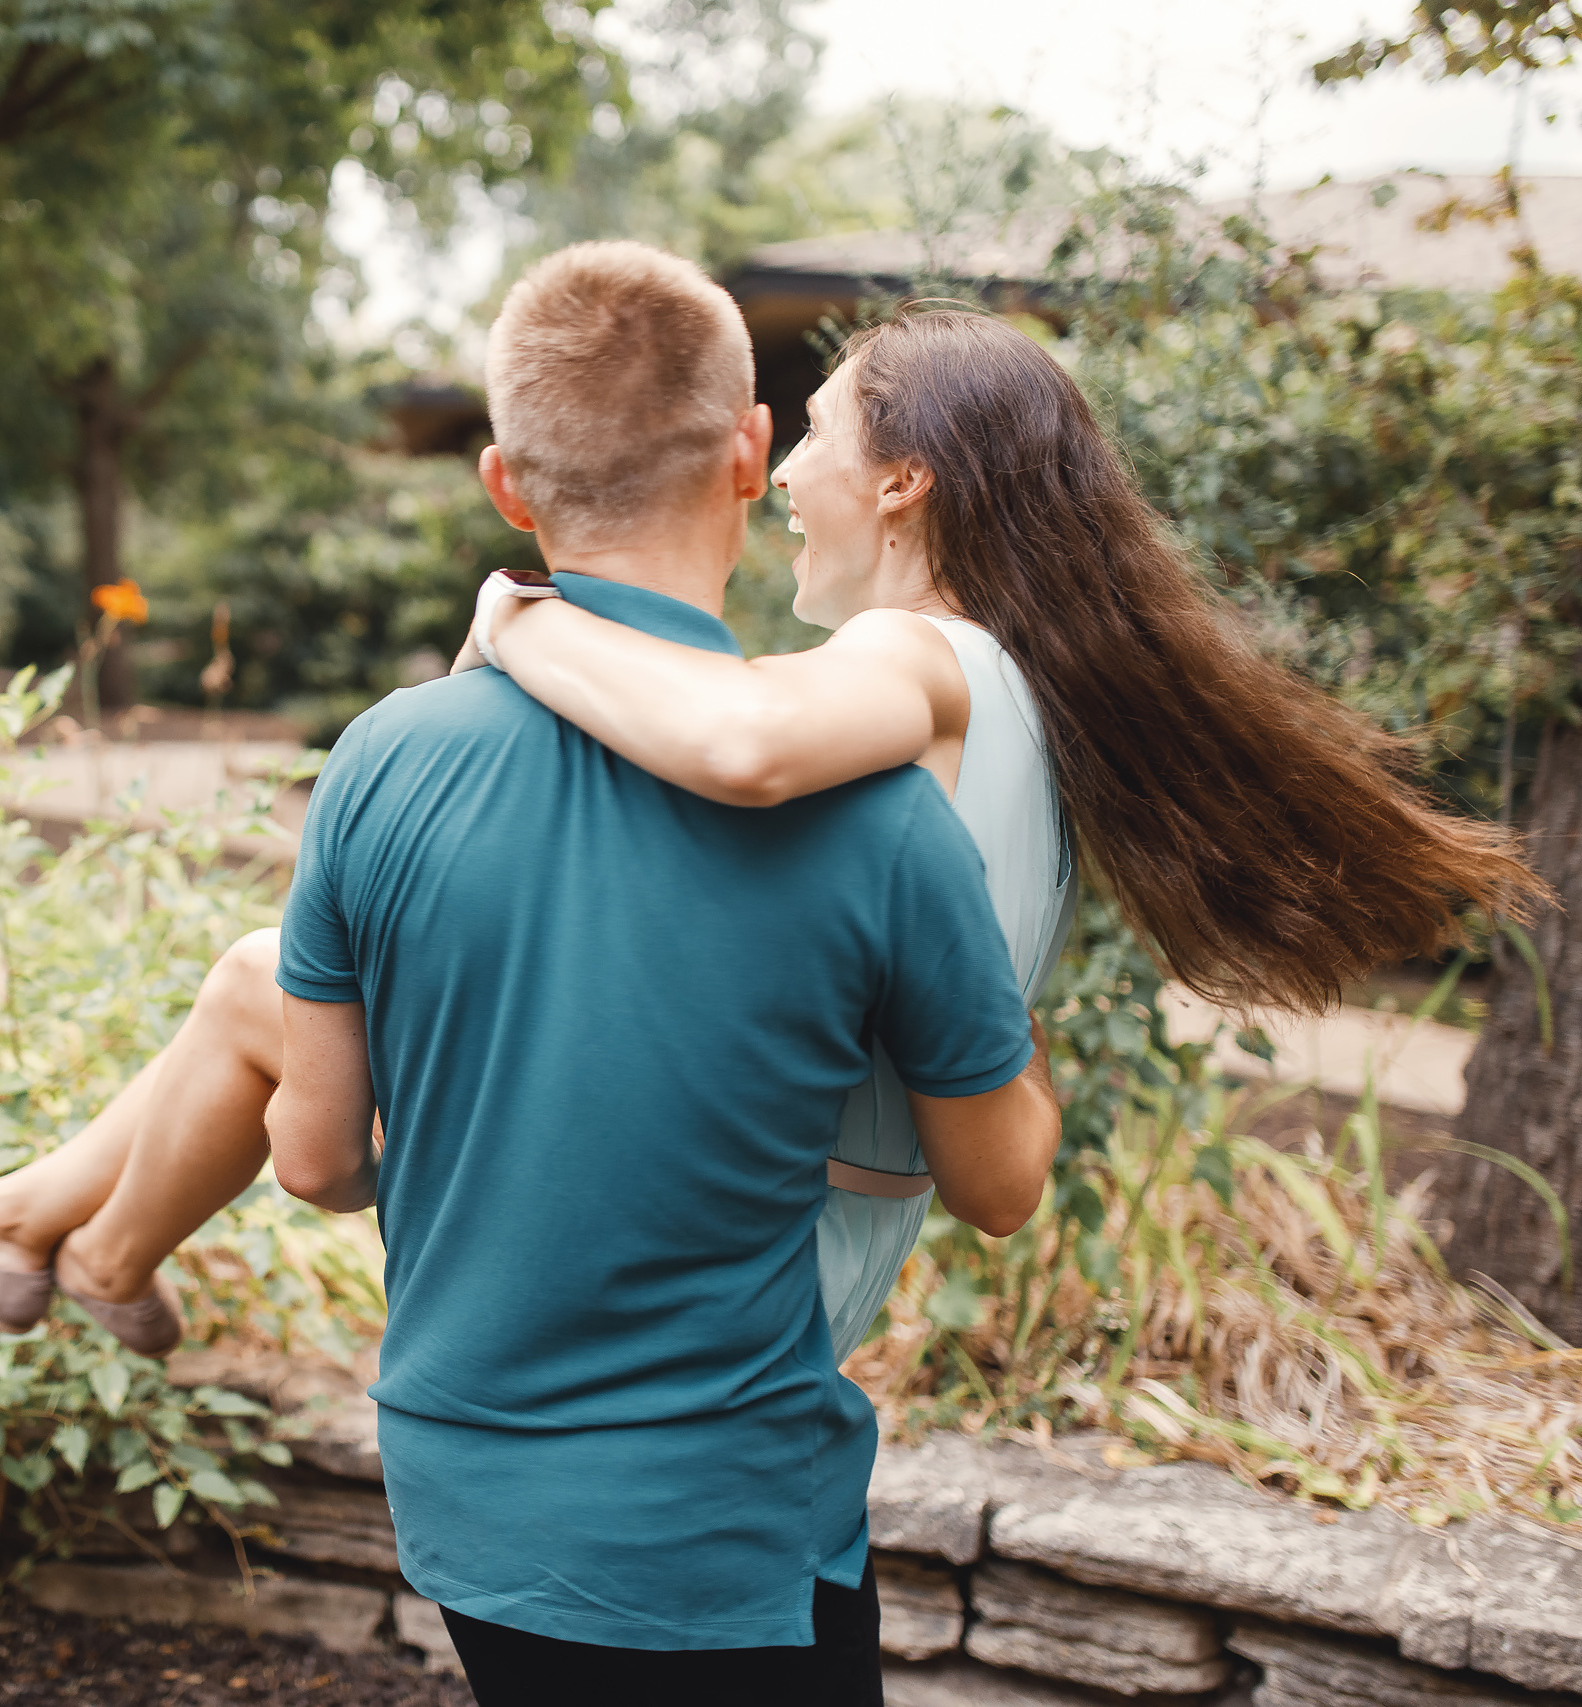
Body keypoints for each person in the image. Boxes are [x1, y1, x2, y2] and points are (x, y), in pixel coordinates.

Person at [0, 281, 1534, 1361]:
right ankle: (71, 1243)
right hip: (814, 1209)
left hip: (748, 1243)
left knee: (264, 983)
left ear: (902, 482)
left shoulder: (923, 661)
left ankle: (62, 1235)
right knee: (252, 975)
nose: (778, 467)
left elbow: (729, 744)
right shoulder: (997, 683)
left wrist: (521, 621)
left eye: (818, 436)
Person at [251, 240, 1061, 1694]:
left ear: (506, 484)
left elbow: (313, 1158)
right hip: (720, 1542)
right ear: (748, 453)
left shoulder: (380, 757)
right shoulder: (881, 817)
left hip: (460, 1491)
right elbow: (998, 1188)